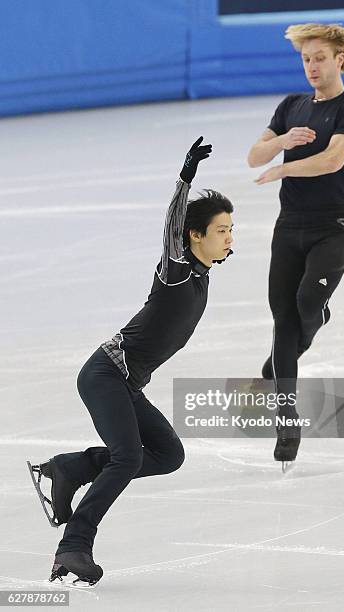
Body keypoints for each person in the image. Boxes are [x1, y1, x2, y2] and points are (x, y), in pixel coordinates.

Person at [27, 137, 234, 585]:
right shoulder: (177, 268)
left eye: (230, 229)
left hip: (124, 382)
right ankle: (74, 546)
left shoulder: (201, 275)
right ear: (196, 235)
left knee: (168, 454)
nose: (229, 237)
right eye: (221, 229)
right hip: (104, 373)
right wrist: (185, 180)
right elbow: (171, 228)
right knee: (125, 458)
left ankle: (72, 468)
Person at [247, 23, 344, 468]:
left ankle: (312, 321)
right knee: (283, 320)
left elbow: (334, 159)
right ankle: (286, 422)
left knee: (305, 303)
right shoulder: (291, 106)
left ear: (340, 59)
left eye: (320, 58)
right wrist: (280, 143)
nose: (312, 67)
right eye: (306, 59)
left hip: (332, 227)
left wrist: (284, 169)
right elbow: (254, 155)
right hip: (288, 228)